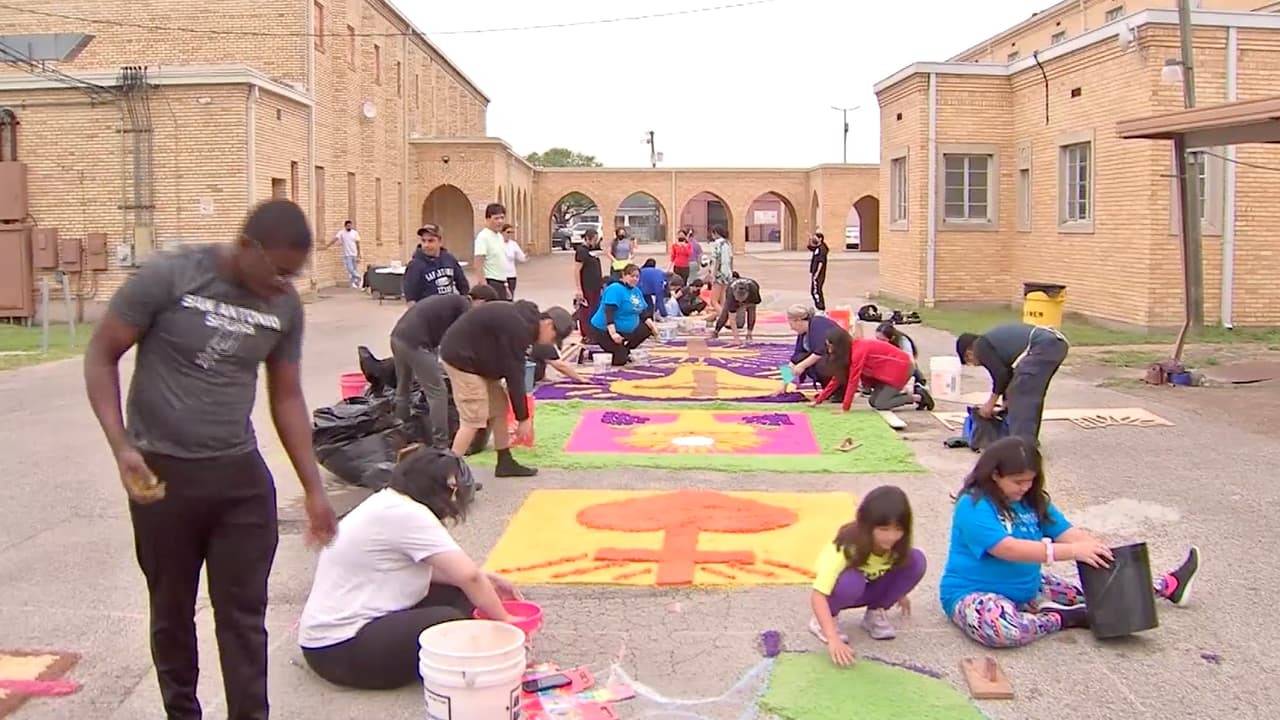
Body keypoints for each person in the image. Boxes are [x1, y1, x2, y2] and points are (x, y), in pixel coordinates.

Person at [83, 199, 339, 720]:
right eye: (280, 271)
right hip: (163, 477)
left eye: (295, 273)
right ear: (247, 248)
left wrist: (315, 490)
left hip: (238, 479)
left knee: (244, 618)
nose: (286, 284)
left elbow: (285, 396)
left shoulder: (284, 306)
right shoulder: (171, 276)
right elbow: (101, 354)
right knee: (172, 613)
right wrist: (122, 446)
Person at [940, 436, 1201, 648]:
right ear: (995, 475)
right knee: (1003, 630)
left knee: (1102, 591)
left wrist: (1097, 552)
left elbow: (1068, 533)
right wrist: (1071, 551)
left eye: (1030, 481)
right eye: (1017, 482)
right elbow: (1007, 548)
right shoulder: (973, 505)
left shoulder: (1033, 502)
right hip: (973, 593)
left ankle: (1167, 586)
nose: (1024, 488)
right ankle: (1062, 617)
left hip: (1029, 590)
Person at [298, 446, 523, 690]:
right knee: (450, 623)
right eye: (452, 488)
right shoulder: (408, 514)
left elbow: (449, 574)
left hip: (340, 638)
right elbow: (468, 575)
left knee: (461, 598)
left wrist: (485, 578)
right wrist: (507, 622)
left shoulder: (389, 502)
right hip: (339, 648)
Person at [809, 486, 926, 666]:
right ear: (867, 525)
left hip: (869, 589)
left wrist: (899, 592)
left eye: (898, 529)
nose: (891, 536)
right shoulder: (846, 547)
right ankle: (824, 622)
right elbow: (818, 595)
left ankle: (874, 614)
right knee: (852, 581)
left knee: (917, 560)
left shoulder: (897, 546)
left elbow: (897, 568)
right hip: (843, 592)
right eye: (884, 529)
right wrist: (833, 638)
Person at [440, 299, 554, 477]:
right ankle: (448, 475)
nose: (550, 343)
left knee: (499, 407)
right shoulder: (519, 330)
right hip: (461, 360)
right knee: (473, 416)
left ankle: (505, 462)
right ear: (548, 325)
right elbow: (515, 376)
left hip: (478, 362)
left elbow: (513, 371)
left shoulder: (522, 321)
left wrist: (521, 414)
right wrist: (523, 418)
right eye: (554, 338)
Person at [390, 286, 499, 445]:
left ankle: (399, 434)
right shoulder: (464, 306)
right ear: (480, 302)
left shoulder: (452, 301)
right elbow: (466, 338)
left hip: (398, 337)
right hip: (416, 344)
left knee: (403, 387)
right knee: (437, 392)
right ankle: (441, 442)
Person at [957, 323, 1070, 441]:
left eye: (970, 361)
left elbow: (999, 375)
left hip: (1044, 345)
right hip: (1056, 344)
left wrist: (990, 404)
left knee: (1022, 394)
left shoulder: (980, 346)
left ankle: (1021, 446)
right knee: (1030, 393)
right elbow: (1007, 375)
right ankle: (1028, 442)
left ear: (969, 353)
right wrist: (1006, 401)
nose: (975, 364)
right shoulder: (994, 345)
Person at [815, 330, 935, 411]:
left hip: (901, 369)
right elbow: (837, 378)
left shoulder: (857, 352)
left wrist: (845, 408)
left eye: (831, 346)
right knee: (873, 401)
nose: (830, 350)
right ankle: (905, 394)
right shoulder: (850, 352)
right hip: (887, 373)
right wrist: (819, 400)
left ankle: (918, 397)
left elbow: (853, 380)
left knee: (880, 404)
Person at [589, 263, 658, 366]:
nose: (635, 279)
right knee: (620, 360)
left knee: (646, 329)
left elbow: (643, 313)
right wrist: (613, 334)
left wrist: (654, 328)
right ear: (624, 275)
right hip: (604, 330)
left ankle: (625, 350)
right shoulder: (615, 289)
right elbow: (609, 312)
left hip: (625, 330)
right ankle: (592, 353)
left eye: (637, 277)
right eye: (632, 276)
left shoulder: (636, 291)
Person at [403, 224, 469, 303]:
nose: (426, 245)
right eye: (423, 241)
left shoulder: (449, 259)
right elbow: (410, 297)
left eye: (431, 241)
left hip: (449, 309)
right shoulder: (415, 265)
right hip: (427, 312)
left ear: (440, 242)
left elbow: (463, 285)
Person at [785, 304, 841, 388]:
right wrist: (784, 383)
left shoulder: (818, 326)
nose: (791, 328)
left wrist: (801, 366)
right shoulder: (804, 332)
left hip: (841, 359)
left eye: (791, 324)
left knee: (818, 365)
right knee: (802, 358)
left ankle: (837, 388)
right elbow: (796, 356)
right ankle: (828, 388)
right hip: (830, 359)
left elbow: (819, 352)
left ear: (798, 320)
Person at [529, 306, 588, 383]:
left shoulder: (537, 328)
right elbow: (560, 366)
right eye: (554, 338)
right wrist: (580, 378)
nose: (552, 342)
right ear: (549, 324)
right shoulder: (541, 340)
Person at [472, 202, 510, 299]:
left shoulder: (499, 237)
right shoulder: (483, 237)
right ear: (488, 219)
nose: (500, 221)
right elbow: (478, 262)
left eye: (502, 218)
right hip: (491, 282)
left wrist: (506, 285)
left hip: (501, 282)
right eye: (496, 218)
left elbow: (500, 263)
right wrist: (484, 286)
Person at [711, 274, 761, 345]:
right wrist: (736, 338)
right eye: (739, 300)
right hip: (733, 292)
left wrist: (745, 305)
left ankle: (749, 333)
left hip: (751, 291)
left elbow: (754, 304)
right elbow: (732, 320)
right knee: (725, 313)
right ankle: (716, 331)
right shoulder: (731, 294)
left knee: (751, 310)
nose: (740, 303)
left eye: (742, 300)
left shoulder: (753, 290)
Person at [573, 227, 605, 338]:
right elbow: (577, 270)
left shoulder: (591, 251)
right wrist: (579, 289)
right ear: (588, 238)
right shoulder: (581, 251)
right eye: (594, 239)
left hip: (595, 286)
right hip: (587, 286)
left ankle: (593, 331)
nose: (596, 242)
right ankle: (586, 333)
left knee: (595, 309)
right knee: (586, 311)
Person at [876, 321, 927, 388]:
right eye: (877, 338)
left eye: (882, 340)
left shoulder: (902, 341)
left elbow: (910, 359)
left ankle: (919, 379)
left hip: (902, 363)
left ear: (892, 338)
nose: (879, 342)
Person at [327, 219, 362, 289]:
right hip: (347, 254)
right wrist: (328, 245)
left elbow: (357, 244)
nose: (349, 227)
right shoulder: (342, 233)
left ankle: (353, 284)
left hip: (354, 254)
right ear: (345, 226)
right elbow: (335, 239)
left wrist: (359, 253)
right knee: (350, 269)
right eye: (348, 226)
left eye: (350, 226)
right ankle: (358, 276)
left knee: (354, 269)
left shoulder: (355, 233)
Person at [709, 225, 733, 313]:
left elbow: (717, 259)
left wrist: (713, 275)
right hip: (727, 273)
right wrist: (731, 271)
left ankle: (724, 319)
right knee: (723, 299)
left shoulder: (716, 243)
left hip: (719, 273)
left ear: (715, 233)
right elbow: (731, 259)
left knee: (714, 301)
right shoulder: (727, 243)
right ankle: (726, 318)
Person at [501, 223, 526, 297]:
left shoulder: (513, 244)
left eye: (511, 232)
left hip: (511, 275)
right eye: (508, 232)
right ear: (502, 232)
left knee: (510, 296)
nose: (509, 234)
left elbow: (521, 258)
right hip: (501, 275)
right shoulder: (498, 243)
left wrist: (524, 256)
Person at [808, 232, 829, 311]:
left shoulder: (822, 249)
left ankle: (821, 307)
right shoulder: (817, 247)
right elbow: (810, 247)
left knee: (816, 291)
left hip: (818, 274)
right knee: (814, 290)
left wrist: (817, 273)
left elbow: (821, 262)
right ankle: (820, 307)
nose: (814, 239)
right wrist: (810, 239)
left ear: (820, 239)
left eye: (815, 237)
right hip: (815, 273)